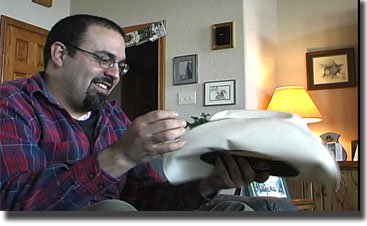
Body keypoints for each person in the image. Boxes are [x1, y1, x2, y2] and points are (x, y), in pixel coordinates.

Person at [0, 14, 269, 211]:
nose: (115, 74)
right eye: (104, 60)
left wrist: (210, 182)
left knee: (236, 212)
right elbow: (13, 204)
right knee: (115, 211)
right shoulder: (12, 103)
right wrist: (120, 156)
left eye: (120, 65)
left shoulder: (114, 119)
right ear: (60, 54)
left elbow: (147, 200)